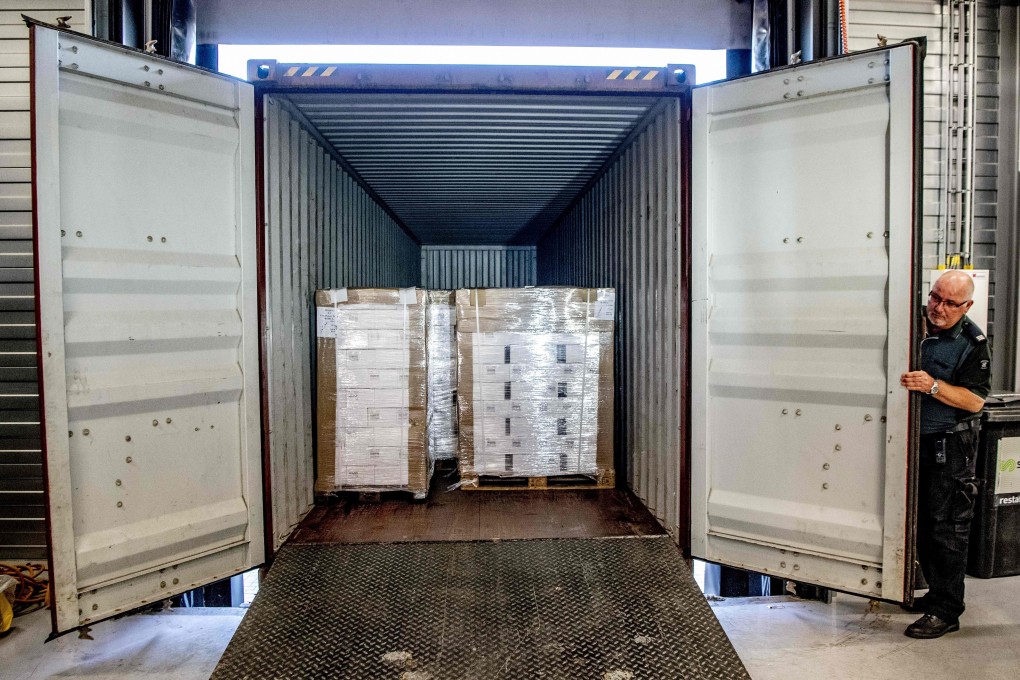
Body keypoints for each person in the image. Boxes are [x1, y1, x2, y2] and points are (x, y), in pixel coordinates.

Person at [899, 269, 991, 639]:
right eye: (935, 297)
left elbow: (975, 400)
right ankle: (936, 593)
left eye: (950, 303)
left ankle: (947, 610)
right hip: (910, 441)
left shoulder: (972, 342)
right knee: (919, 522)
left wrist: (933, 386)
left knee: (947, 527)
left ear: (967, 305)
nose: (938, 307)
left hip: (948, 445)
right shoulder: (912, 321)